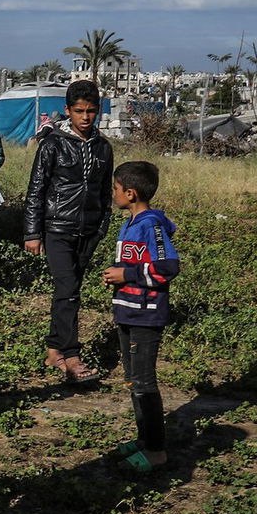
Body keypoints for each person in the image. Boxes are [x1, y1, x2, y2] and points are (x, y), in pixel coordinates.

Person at [23, 79, 113, 383]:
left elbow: (104, 191)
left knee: (68, 292)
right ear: (67, 111)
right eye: (79, 111)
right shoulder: (53, 144)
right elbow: (36, 189)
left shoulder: (103, 147)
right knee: (68, 290)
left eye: (91, 111)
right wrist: (32, 233)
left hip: (88, 231)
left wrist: (102, 225)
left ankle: (53, 351)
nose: (85, 117)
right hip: (57, 228)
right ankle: (71, 356)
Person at [99, 161, 180, 472]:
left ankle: (157, 451)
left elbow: (168, 267)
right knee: (134, 381)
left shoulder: (151, 225)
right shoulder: (129, 223)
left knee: (145, 383)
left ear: (130, 193)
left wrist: (126, 273)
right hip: (127, 312)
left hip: (146, 316)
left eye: (115, 189)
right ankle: (146, 439)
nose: (113, 194)